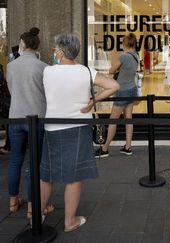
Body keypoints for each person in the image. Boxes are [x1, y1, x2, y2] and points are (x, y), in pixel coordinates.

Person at [40, 33, 119, 232]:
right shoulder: (85, 71)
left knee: (46, 174)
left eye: (55, 49)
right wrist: (92, 102)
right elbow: (114, 85)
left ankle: (37, 214)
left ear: (61, 51)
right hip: (78, 128)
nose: (54, 52)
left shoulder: (48, 71)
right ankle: (69, 221)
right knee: (74, 177)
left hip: (52, 127)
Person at [6, 27, 54, 219]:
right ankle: (33, 206)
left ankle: (13, 201)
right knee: (35, 162)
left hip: (15, 116)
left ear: (22, 44)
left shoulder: (11, 66)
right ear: (37, 46)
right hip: (37, 118)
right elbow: (47, 93)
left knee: (15, 160)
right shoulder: (43, 67)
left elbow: (11, 91)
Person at [95, 33, 139, 158]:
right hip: (132, 89)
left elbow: (111, 70)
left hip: (122, 91)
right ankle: (128, 146)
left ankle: (105, 148)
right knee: (128, 118)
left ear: (125, 44)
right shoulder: (136, 56)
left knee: (113, 120)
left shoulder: (124, 56)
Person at [0, 63, 10, 154]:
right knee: (7, 124)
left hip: (3, 103)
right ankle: (8, 145)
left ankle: (8, 145)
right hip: (4, 103)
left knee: (7, 124)